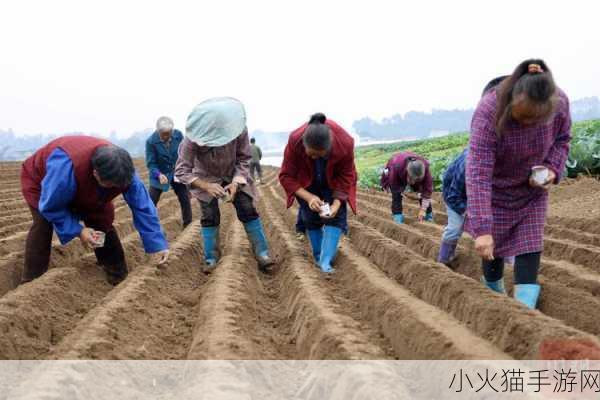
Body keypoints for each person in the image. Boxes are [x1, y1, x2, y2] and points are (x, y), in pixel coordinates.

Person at [466, 59, 571, 309]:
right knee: (493, 248)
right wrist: (482, 229)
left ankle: (525, 312)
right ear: (511, 100)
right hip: (495, 189)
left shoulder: (560, 103)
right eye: (521, 117)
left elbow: (563, 139)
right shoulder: (489, 111)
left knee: (530, 243)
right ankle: (494, 291)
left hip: (531, 189)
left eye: (533, 119)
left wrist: (552, 169)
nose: (526, 125)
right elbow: (478, 172)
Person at [20, 136, 169, 285]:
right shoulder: (65, 167)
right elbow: (51, 206)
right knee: (43, 224)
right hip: (42, 183)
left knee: (102, 220)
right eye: (109, 185)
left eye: (116, 186)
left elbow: (143, 208)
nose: (113, 188)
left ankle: (117, 275)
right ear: (96, 173)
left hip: (82, 182)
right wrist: (79, 230)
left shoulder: (124, 172)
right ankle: (31, 279)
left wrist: (158, 245)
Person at [175, 97, 274, 273]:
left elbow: (244, 158)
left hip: (233, 172)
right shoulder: (190, 140)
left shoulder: (238, 130)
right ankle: (211, 258)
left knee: (247, 209)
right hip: (204, 176)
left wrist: (236, 182)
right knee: (209, 215)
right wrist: (206, 186)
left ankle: (262, 253)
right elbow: (182, 171)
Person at [437, 76, 510, 266]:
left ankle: (509, 266)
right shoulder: (469, 165)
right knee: (455, 228)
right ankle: (444, 260)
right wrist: (469, 211)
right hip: (456, 196)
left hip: (484, 195)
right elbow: (453, 196)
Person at [279, 113, 357, 273]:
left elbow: (347, 175)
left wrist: (336, 204)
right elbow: (286, 176)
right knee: (310, 216)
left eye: (320, 154)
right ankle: (318, 255)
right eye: (311, 153)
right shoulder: (295, 140)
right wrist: (309, 197)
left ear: (329, 147)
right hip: (307, 181)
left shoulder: (345, 143)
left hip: (333, 181)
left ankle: (325, 261)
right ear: (304, 145)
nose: (314, 157)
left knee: (335, 217)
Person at [146, 116, 192, 228]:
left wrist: (186, 170)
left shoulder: (178, 135)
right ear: (158, 131)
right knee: (151, 202)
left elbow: (184, 153)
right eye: (164, 134)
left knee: (185, 198)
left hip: (177, 172)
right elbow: (151, 163)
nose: (167, 136)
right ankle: (150, 227)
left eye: (169, 133)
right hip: (159, 174)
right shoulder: (151, 142)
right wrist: (159, 174)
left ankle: (187, 225)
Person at [380, 152, 433, 223]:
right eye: (412, 179)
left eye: (417, 180)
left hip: (411, 172)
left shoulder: (425, 169)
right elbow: (396, 191)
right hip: (397, 167)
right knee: (396, 196)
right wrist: (404, 192)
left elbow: (427, 191)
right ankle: (398, 218)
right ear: (407, 173)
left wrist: (423, 210)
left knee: (422, 191)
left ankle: (428, 216)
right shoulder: (396, 169)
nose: (414, 182)